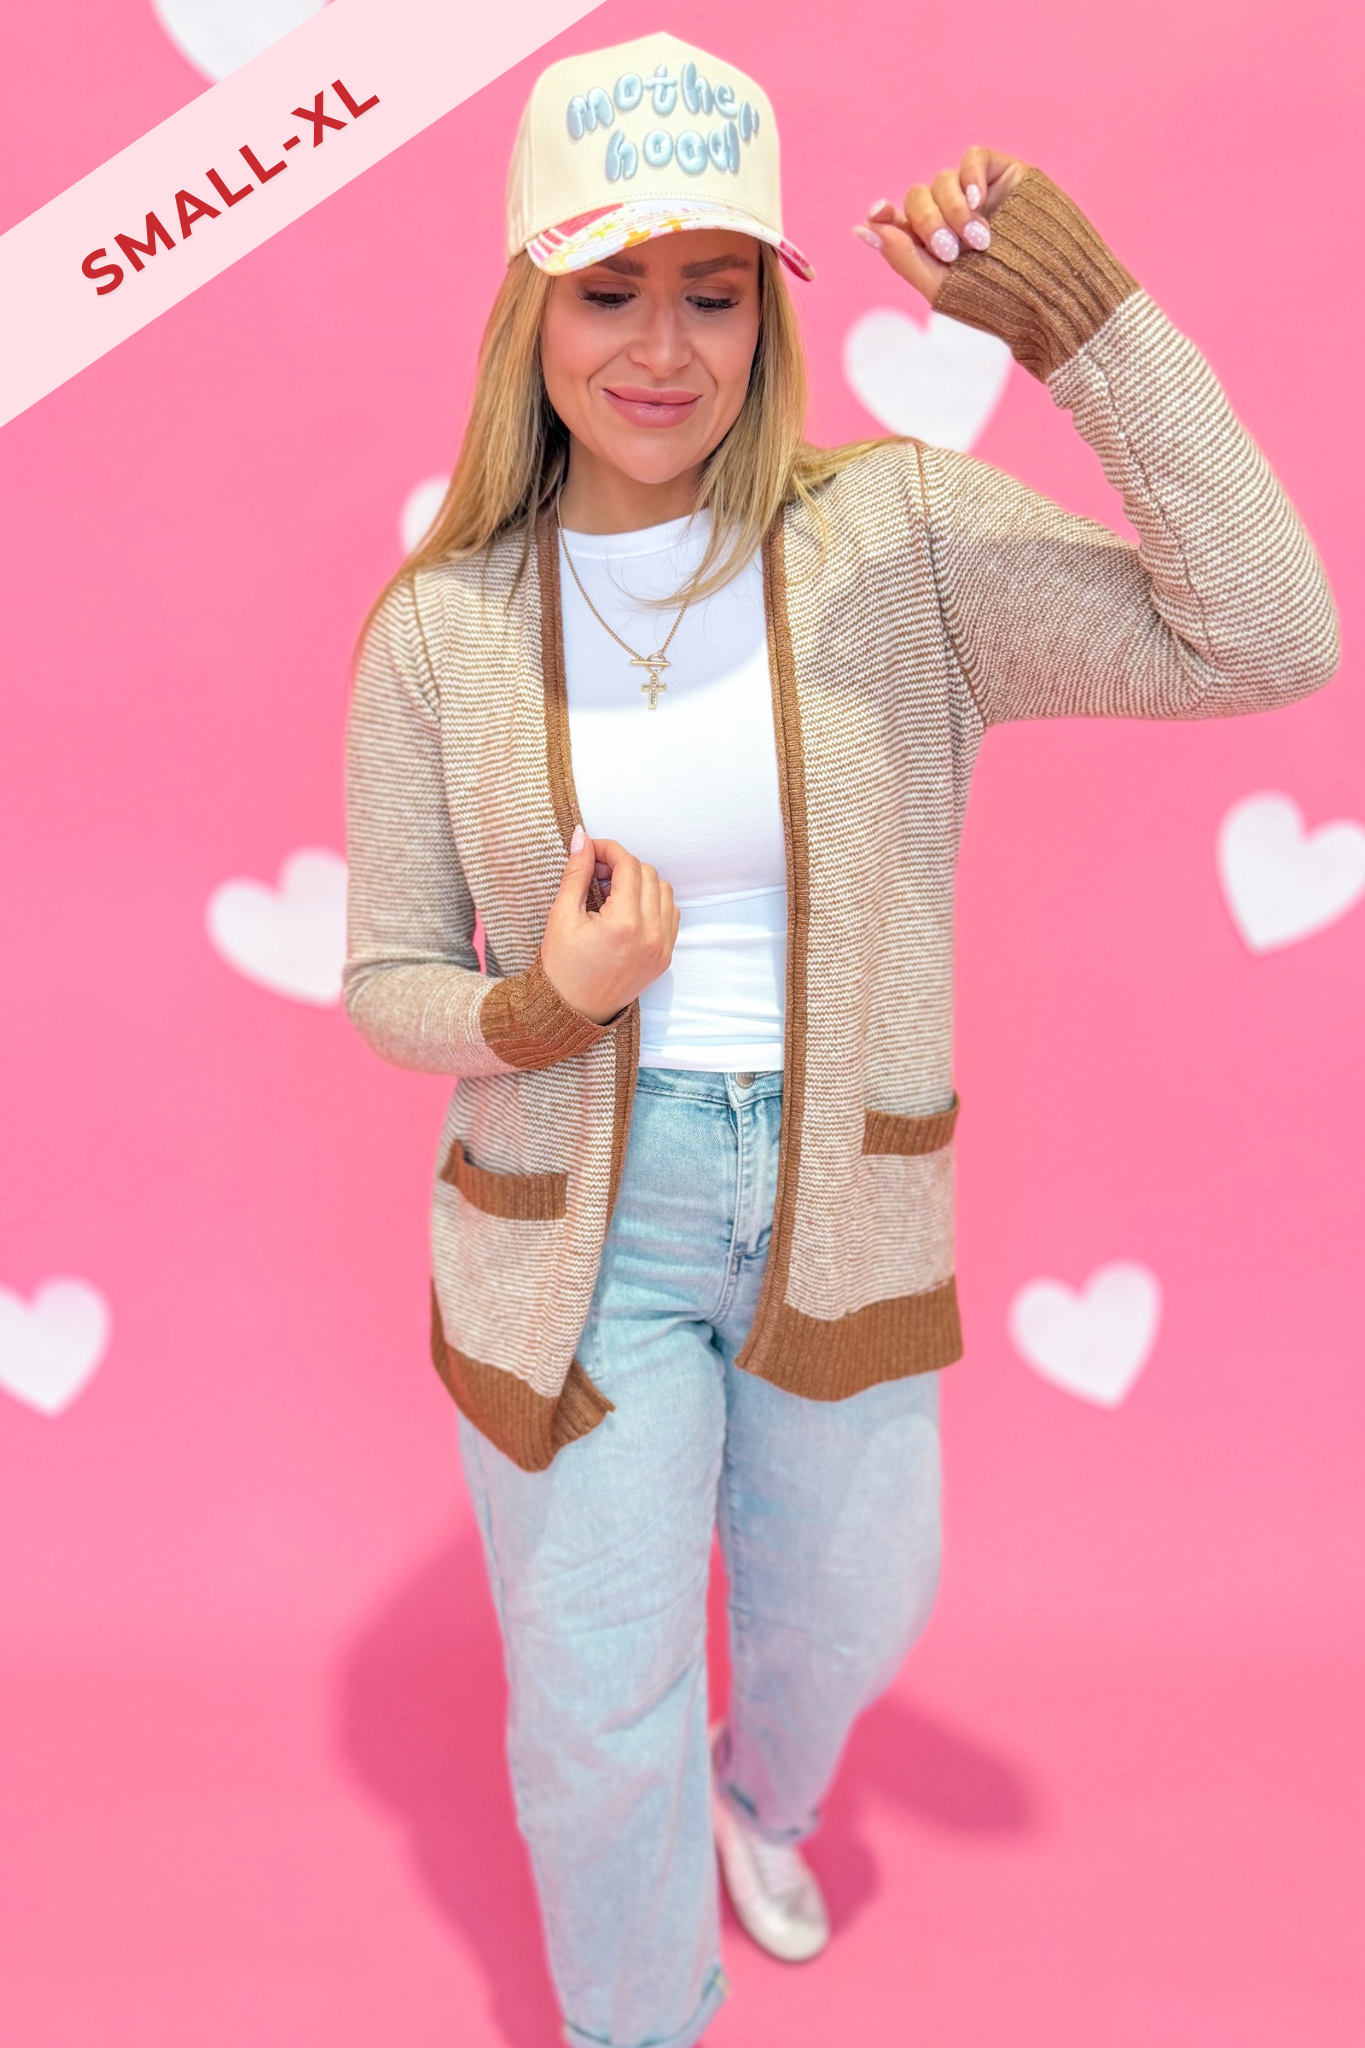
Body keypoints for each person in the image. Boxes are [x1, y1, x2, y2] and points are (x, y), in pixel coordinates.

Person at [341, 28, 1339, 2048]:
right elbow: (383, 980)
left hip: (840, 1205)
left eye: (715, 293)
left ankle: (764, 1795)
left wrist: (1071, 318)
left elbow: (1268, 630)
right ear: (530, 304)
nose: (662, 348)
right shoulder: (441, 627)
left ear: (769, 314)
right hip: (572, 1236)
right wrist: (544, 1003)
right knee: (594, 1704)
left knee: (852, 1610)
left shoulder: (894, 547)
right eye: (609, 288)